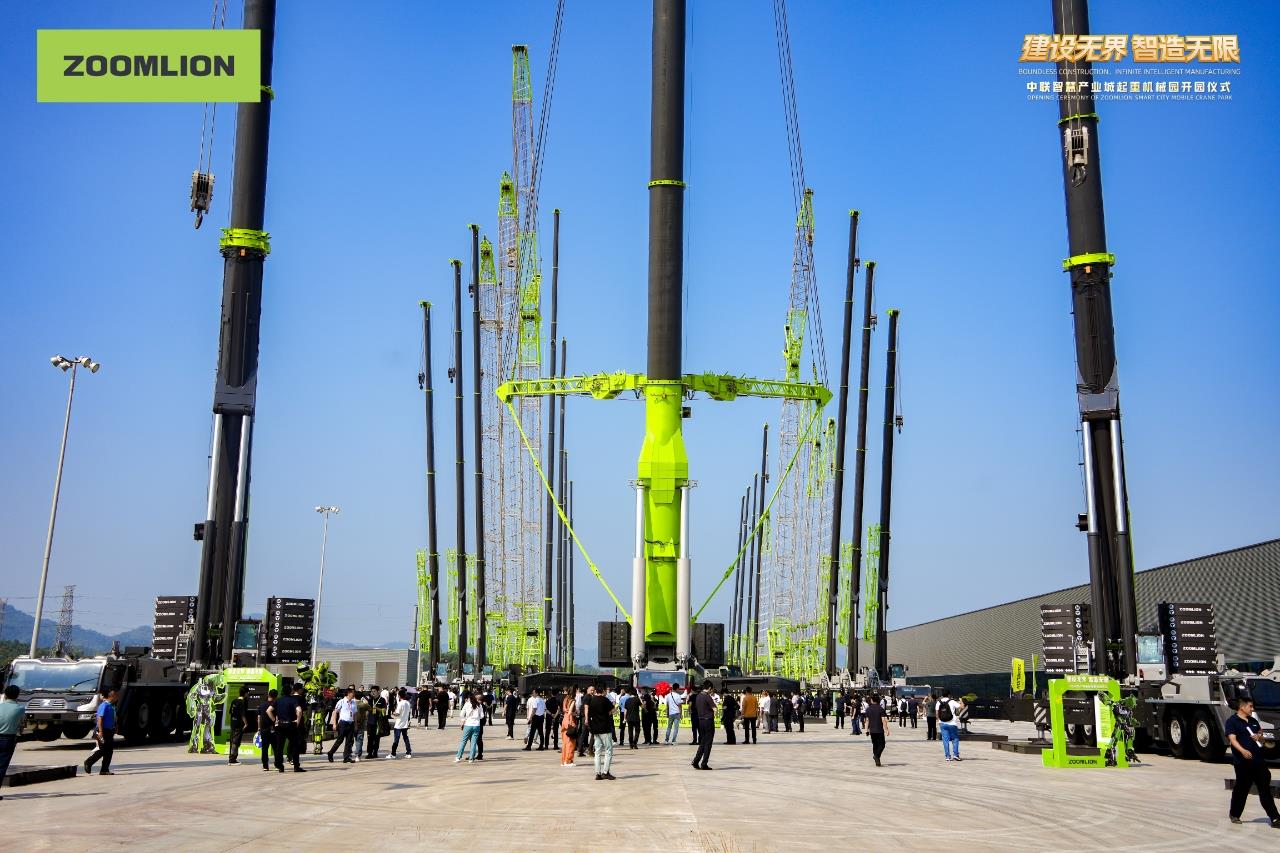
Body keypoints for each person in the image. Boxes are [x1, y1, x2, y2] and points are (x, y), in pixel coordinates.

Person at [1225, 696, 1280, 827]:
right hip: (1243, 763)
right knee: (1241, 790)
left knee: (1265, 790)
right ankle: (1234, 814)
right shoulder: (1232, 721)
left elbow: (1262, 739)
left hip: (1258, 761)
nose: (1252, 708)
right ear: (1242, 707)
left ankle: (1275, 818)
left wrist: (1259, 737)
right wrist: (1242, 751)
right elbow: (1232, 739)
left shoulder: (1253, 721)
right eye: (1250, 706)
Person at [584, 679, 616, 781]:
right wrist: (614, 710)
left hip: (595, 729)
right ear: (603, 690)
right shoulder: (605, 700)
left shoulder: (592, 700)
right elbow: (612, 711)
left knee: (597, 752)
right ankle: (605, 772)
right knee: (608, 750)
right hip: (605, 728)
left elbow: (589, 713)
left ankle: (597, 773)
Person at [270, 684, 306, 772]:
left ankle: (280, 766)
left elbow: (269, 710)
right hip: (291, 725)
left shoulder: (278, 700)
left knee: (279, 747)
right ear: (291, 691)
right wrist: (297, 721)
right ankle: (296, 766)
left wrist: (274, 720)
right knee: (295, 745)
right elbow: (299, 710)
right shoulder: (293, 700)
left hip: (280, 725)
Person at [84, 687, 119, 776]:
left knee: (109, 751)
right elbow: (100, 718)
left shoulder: (112, 706)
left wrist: (115, 727)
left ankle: (104, 769)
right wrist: (100, 731)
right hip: (102, 731)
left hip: (109, 731)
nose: (117, 697)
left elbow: (114, 718)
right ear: (112, 696)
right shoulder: (104, 705)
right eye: (116, 696)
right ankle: (88, 762)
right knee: (102, 750)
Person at [0, 684, 25, 797]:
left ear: (5, 695)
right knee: (2, 766)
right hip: (8, 739)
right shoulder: (20, 709)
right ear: (17, 695)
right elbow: (21, 725)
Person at [690, 681, 717, 770]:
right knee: (708, 743)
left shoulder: (698, 696)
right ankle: (704, 763)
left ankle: (696, 761)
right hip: (708, 721)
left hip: (701, 721)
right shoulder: (707, 697)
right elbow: (715, 709)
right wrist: (714, 714)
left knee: (703, 742)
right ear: (709, 688)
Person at [328, 688, 358, 763]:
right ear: (348, 693)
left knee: (349, 741)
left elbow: (355, 714)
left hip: (351, 723)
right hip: (343, 723)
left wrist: (355, 725)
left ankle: (346, 757)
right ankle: (331, 753)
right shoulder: (341, 701)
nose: (354, 694)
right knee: (340, 740)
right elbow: (335, 712)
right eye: (352, 693)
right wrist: (334, 724)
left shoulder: (354, 702)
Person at [454, 691, 484, 763]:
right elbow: (482, 716)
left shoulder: (467, 704)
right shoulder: (479, 705)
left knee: (464, 741)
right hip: (476, 725)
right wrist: (477, 718)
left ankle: (458, 757)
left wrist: (463, 720)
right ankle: (471, 758)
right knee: (474, 742)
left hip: (468, 724)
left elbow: (461, 714)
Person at [864, 691, 889, 767]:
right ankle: (877, 757)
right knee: (882, 745)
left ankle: (877, 758)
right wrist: (886, 730)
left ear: (872, 700)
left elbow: (867, 721)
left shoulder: (868, 709)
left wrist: (866, 730)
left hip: (872, 730)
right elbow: (883, 720)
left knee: (875, 745)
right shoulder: (881, 709)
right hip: (879, 730)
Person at [226, 689, 249, 765]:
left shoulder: (234, 701)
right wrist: (246, 723)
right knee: (236, 741)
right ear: (245, 693)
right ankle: (232, 759)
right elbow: (242, 714)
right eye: (248, 693)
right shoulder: (242, 702)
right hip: (239, 725)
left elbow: (231, 712)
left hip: (233, 724)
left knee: (233, 740)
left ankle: (232, 758)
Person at [938, 689, 962, 762]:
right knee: (955, 739)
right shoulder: (952, 701)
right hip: (952, 723)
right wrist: (961, 700)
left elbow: (937, 713)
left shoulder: (938, 702)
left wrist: (939, 721)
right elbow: (962, 707)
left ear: (942, 695)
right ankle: (955, 755)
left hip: (942, 723)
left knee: (945, 740)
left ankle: (947, 756)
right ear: (949, 695)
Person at [257, 689, 277, 771]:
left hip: (263, 729)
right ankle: (277, 764)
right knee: (276, 748)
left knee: (264, 748)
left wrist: (259, 728)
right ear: (276, 696)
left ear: (268, 694)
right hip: (273, 728)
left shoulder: (261, 705)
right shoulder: (275, 704)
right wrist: (274, 721)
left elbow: (259, 718)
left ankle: (265, 766)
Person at [390, 688, 414, 758]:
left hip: (399, 724)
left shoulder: (400, 703)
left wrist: (393, 713)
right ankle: (408, 752)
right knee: (405, 738)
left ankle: (393, 754)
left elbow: (397, 713)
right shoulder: (408, 703)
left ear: (399, 696)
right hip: (405, 723)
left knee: (396, 740)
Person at [365, 685, 388, 759]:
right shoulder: (370, 700)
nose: (373, 693)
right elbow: (367, 710)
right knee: (370, 738)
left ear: (378, 691)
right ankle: (369, 753)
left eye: (374, 691)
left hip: (378, 722)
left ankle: (375, 752)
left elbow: (384, 710)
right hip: (370, 721)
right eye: (372, 691)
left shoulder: (382, 700)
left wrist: (377, 708)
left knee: (377, 738)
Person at [560, 690, 578, 767]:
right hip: (570, 721)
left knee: (565, 742)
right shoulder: (572, 701)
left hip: (565, 720)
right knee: (570, 743)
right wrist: (575, 713)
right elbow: (570, 712)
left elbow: (565, 710)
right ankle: (568, 761)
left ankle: (564, 761)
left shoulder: (565, 700)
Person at [352, 689, 369, 761]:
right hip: (361, 723)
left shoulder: (351, 703)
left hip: (352, 723)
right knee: (359, 740)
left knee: (350, 740)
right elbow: (370, 710)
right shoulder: (364, 704)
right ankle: (357, 755)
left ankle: (348, 753)